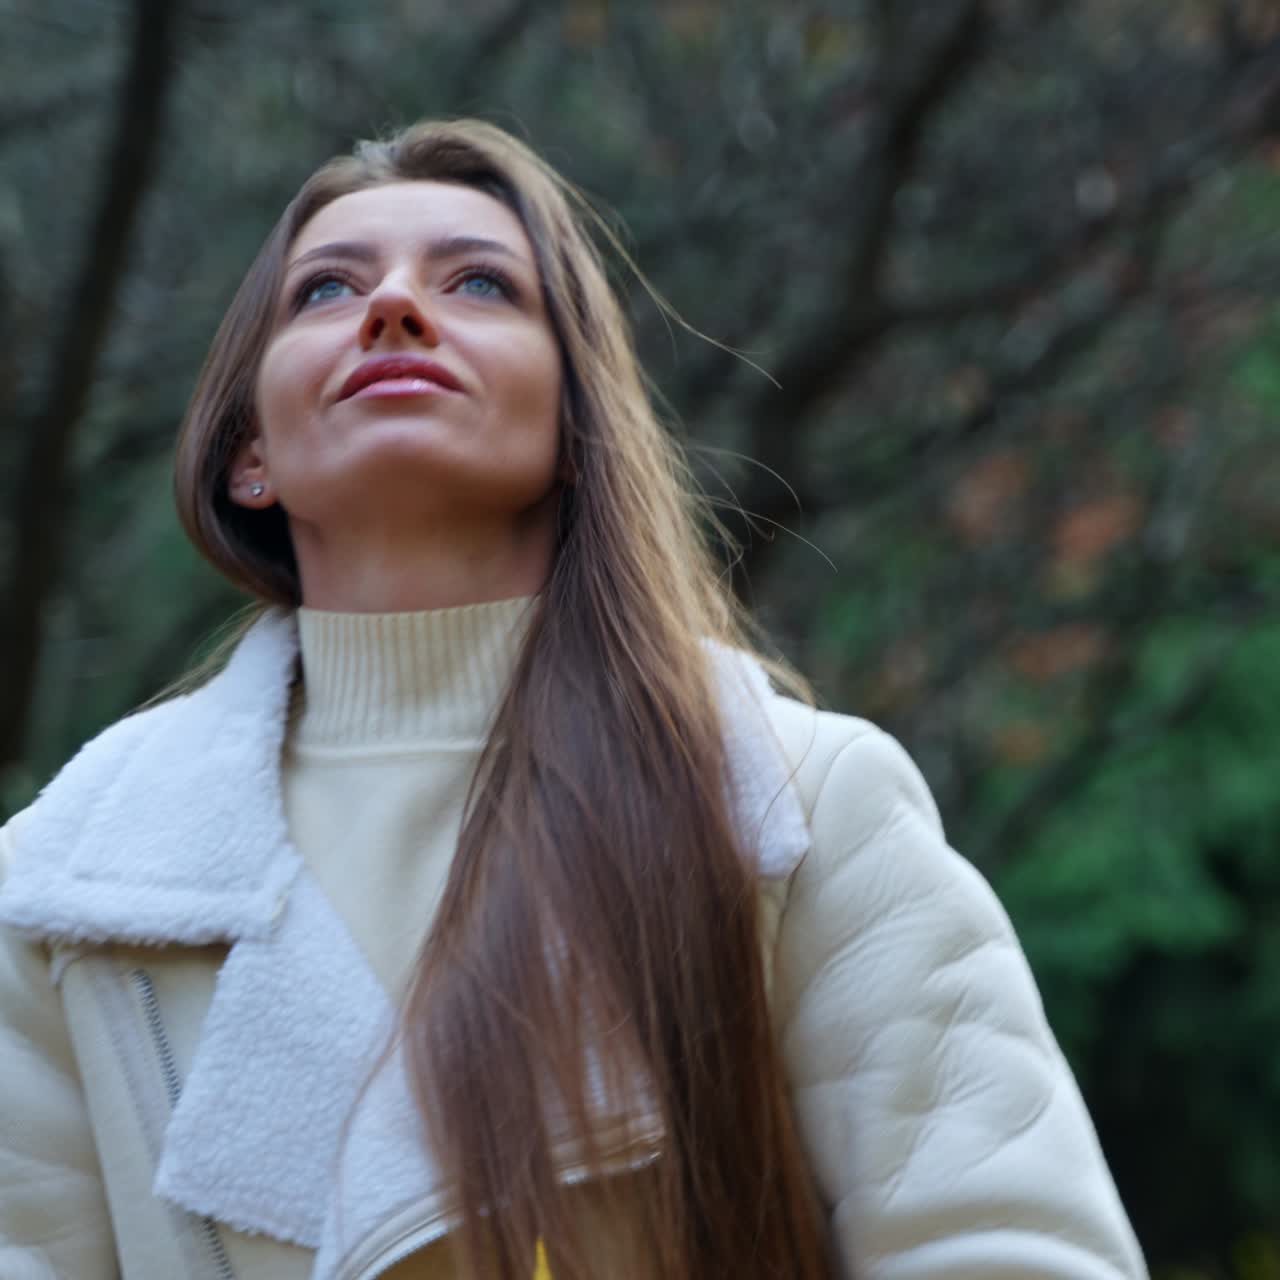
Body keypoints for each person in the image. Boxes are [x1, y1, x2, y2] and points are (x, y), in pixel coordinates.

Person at [0, 119, 1147, 1280]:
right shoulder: (65, 888)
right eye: (327, 288)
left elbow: (1003, 1250)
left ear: (571, 421)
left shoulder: (800, 806)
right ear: (249, 449)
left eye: (481, 282)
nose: (392, 307)